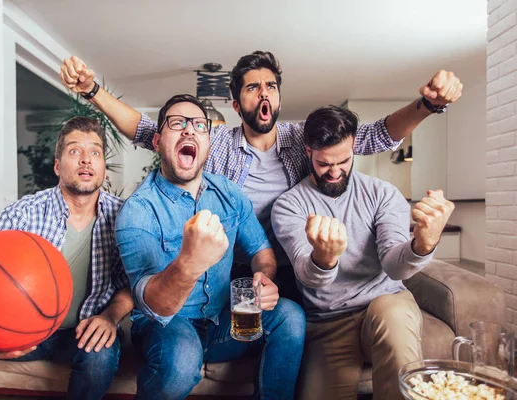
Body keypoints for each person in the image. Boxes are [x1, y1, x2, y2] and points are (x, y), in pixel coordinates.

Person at [60, 51, 462, 301]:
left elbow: (372, 135)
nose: (264, 93)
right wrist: (93, 89)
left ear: (280, 98)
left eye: (271, 85)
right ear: (237, 103)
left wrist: (427, 105)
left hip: (302, 266)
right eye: (253, 88)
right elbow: (150, 131)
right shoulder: (215, 142)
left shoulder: (304, 137)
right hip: (233, 267)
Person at [0, 117, 133, 400]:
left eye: (95, 152)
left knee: (101, 352)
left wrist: (110, 317)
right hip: (21, 329)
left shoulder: (126, 218)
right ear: (57, 166)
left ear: (103, 167)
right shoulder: (22, 213)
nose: (86, 160)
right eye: (74, 151)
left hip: (81, 332)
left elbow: (134, 283)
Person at [115, 94, 305, 400]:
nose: (189, 130)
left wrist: (265, 277)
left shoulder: (229, 193)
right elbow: (156, 306)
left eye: (199, 126)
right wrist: (189, 262)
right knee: (181, 359)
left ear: (208, 142)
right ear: (157, 141)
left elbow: (261, 252)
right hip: (165, 326)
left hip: (222, 323)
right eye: (177, 123)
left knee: (290, 316)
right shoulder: (137, 211)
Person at [271, 105, 455, 400]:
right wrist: (325, 258)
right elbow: (309, 277)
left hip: (384, 303)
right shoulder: (289, 205)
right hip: (328, 320)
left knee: (393, 320)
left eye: (343, 161)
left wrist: (424, 244)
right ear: (308, 151)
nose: (333, 172)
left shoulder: (383, 194)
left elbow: (395, 267)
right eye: (323, 163)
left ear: (355, 145)